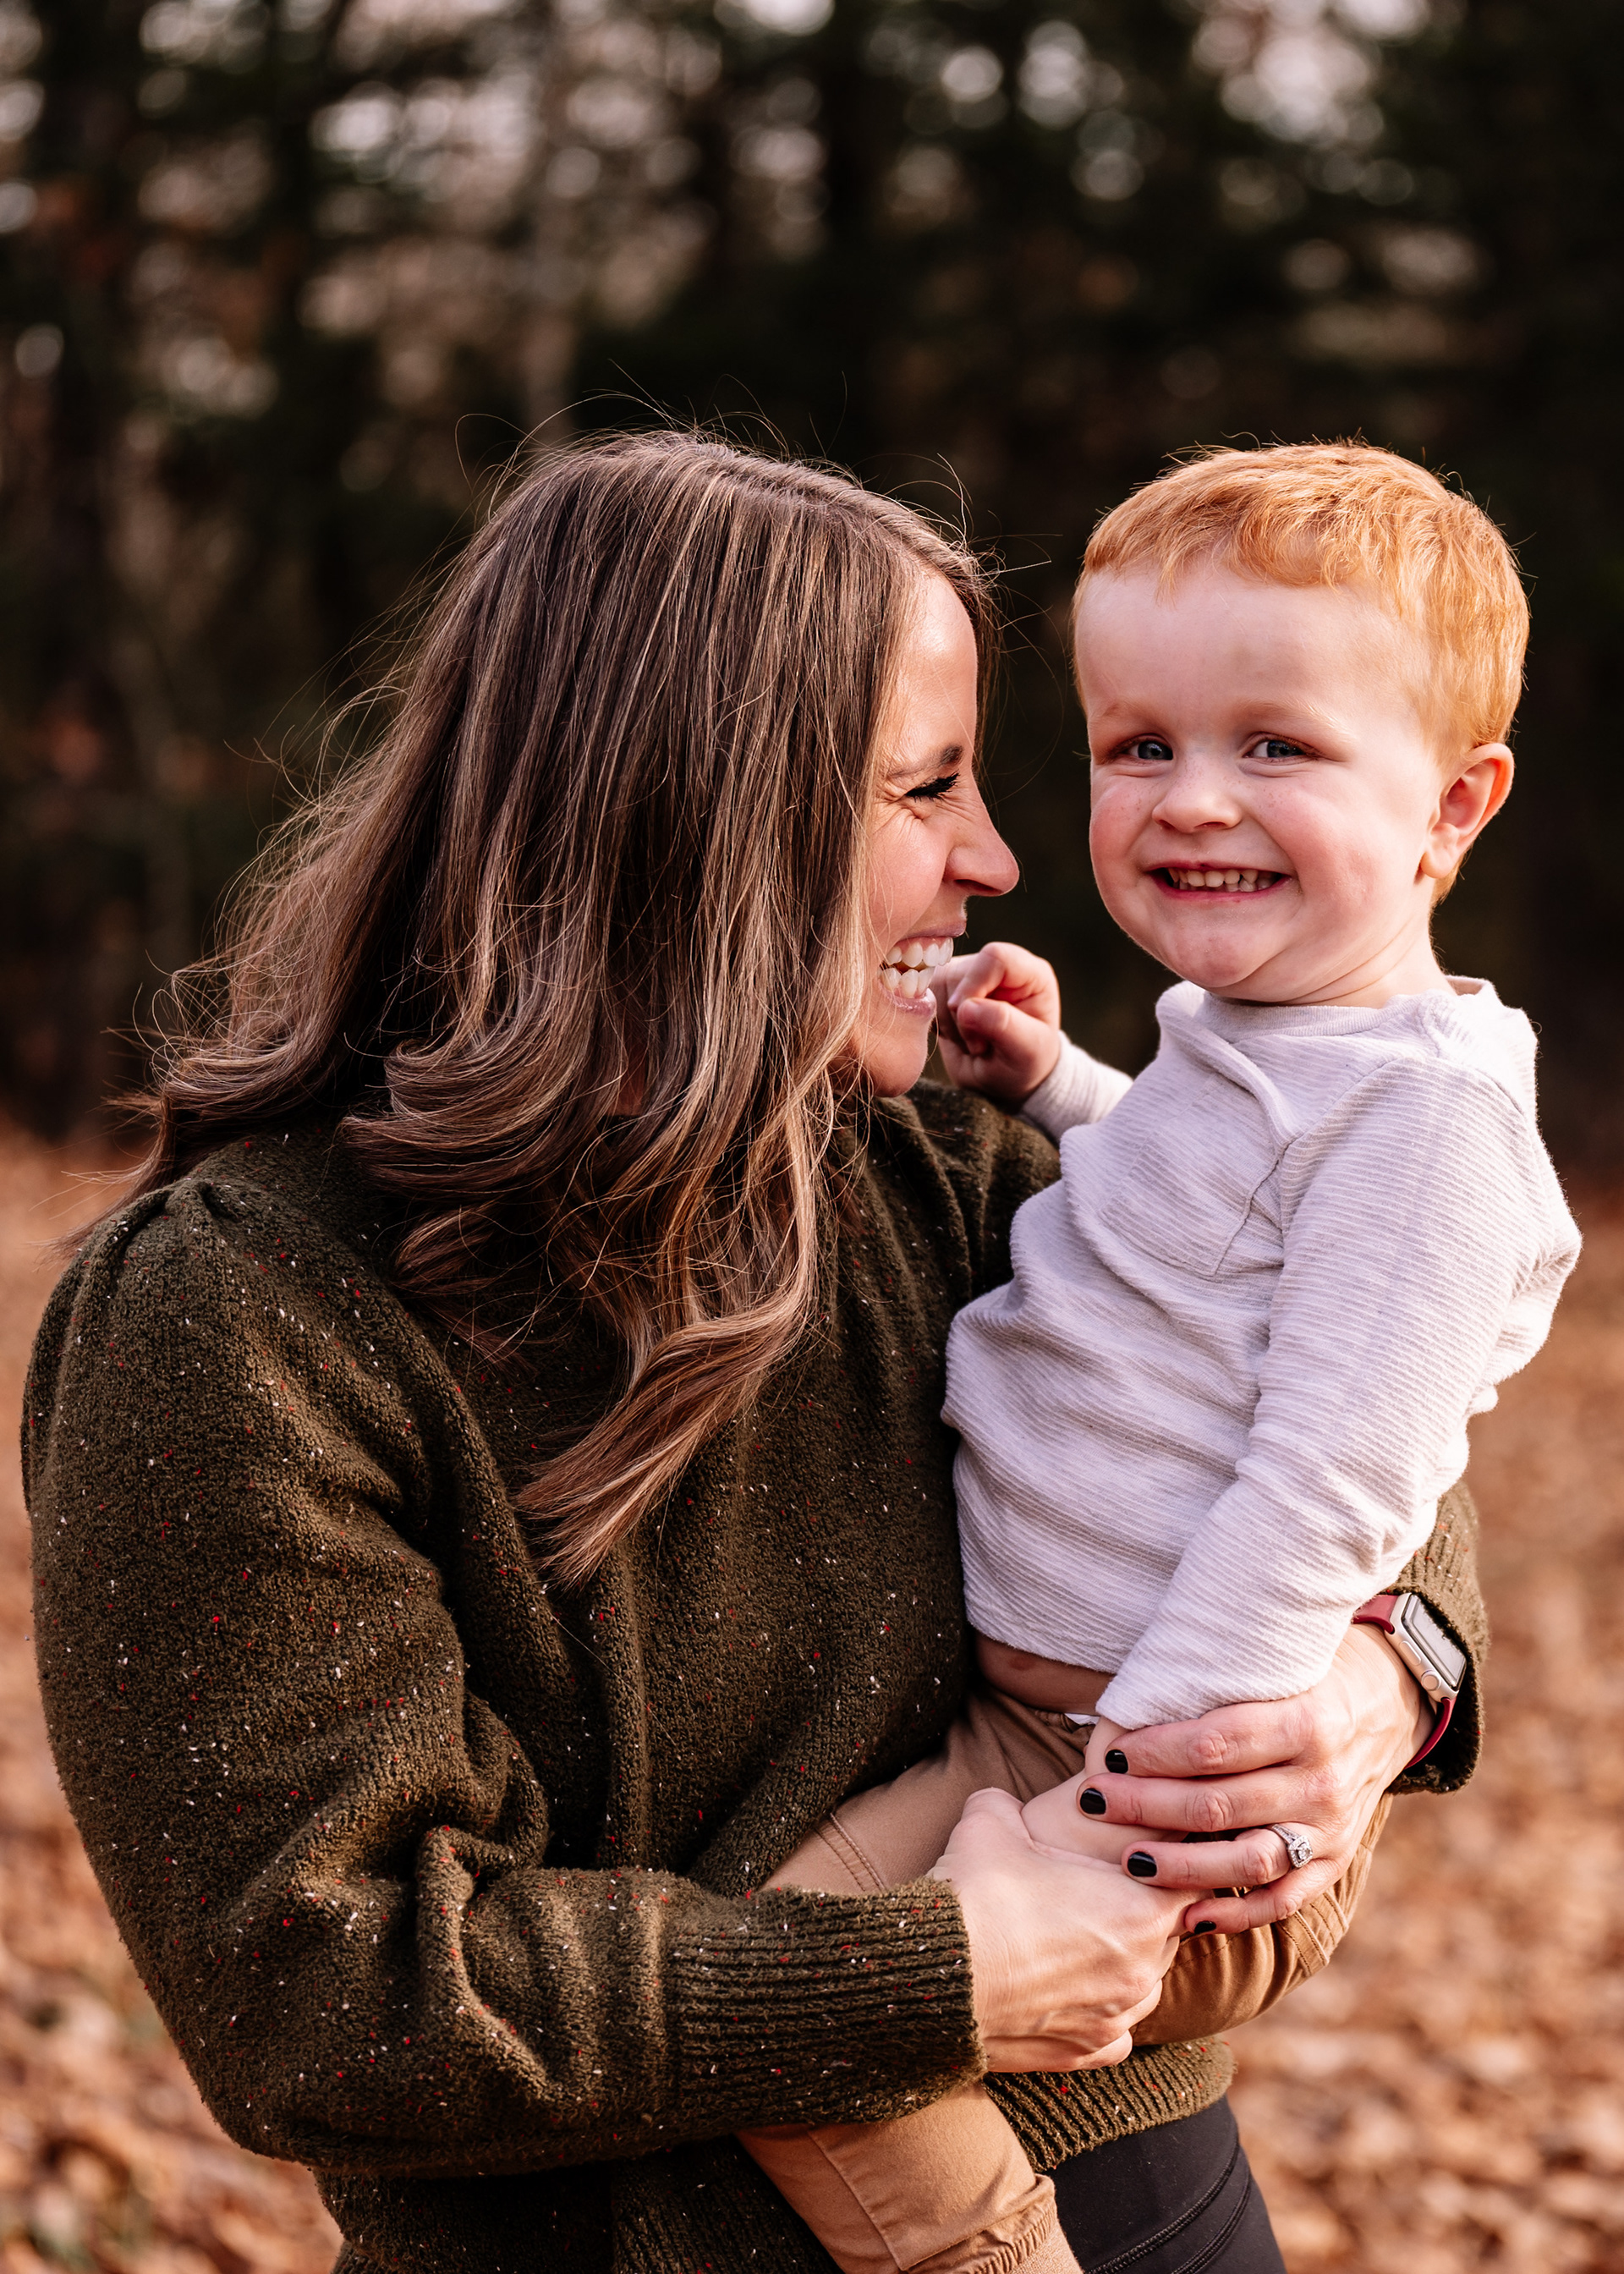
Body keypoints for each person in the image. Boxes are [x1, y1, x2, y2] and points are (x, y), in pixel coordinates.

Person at [25, 433, 1484, 2274]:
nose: (996, 858)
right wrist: (934, 1978)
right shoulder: (240, 1313)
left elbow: (1357, 1395)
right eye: (926, 787)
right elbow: (326, 1995)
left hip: (1156, 2196)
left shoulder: (940, 1153)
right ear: (700, 819)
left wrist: (1388, 1677)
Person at [737, 444, 1577, 2274]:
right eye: (1140, 745)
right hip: (1041, 1731)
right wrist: (1059, 1088)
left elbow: (1336, 1473)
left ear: (1453, 805)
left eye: (1275, 745)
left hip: (1140, 1772)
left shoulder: (1427, 1130)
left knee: (812, 2021)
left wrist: (1146, 1770)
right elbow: (1212, 1232)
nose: (1193, 798)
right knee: (799, 1988)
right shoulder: (1269, 1046)